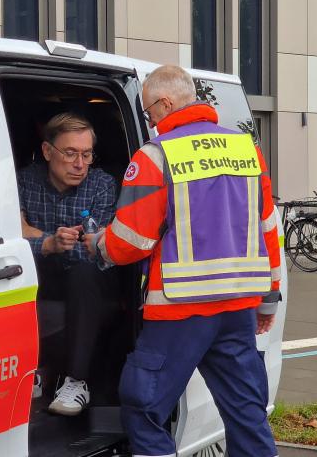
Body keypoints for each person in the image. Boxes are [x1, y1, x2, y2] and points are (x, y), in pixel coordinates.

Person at [88, 65, 282, 456]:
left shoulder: (156, 156)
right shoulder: (246, 149)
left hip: (180, 311)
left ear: (165, 102)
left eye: (147, 113)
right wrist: (269, 296)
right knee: (247, 414)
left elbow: (131, 241)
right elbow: (268, 228)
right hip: (238, 309)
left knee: (143, 409)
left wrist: (96, 245)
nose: (149, 121)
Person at [17, 112, 119, 416]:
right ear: (48, 152)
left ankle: (76, 381)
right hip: (43, 272)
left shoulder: (101, 185)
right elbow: (13, 234)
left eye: (87, 155)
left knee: (84, 273)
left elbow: (94, 249)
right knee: (17, 268)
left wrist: (36, 237)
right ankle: (32, 369)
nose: (80, 165)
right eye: (71, 153)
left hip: (90, 278)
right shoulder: (23, 181)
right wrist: (48, 243)